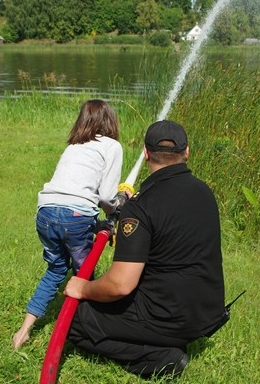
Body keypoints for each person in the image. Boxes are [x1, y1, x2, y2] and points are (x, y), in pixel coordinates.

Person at [64, 120, 225, 378]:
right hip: (208, 313)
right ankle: (168, 339)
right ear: (187, 152)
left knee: (74, 320)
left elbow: (120, 285)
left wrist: (83, 288)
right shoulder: (205, 193)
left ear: (146, 154)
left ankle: (162, 358)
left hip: (168, 316)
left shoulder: (141, 207)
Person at [12, 99, 126, 349]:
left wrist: (96, 224)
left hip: (45, 213)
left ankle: (23, 332)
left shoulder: (74, 146)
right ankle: (85, 331)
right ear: (111, 121)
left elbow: (72, 196)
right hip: (74, 217)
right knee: (85, 279)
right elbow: (106, 197)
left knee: (55, 270)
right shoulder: (112, 146)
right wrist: (119, 206)